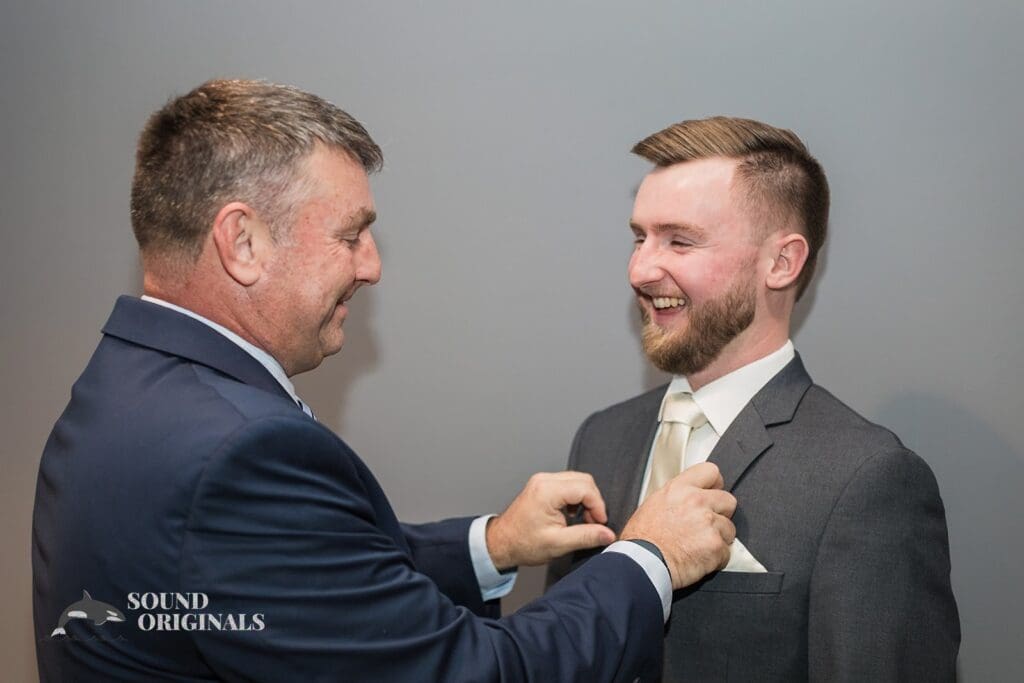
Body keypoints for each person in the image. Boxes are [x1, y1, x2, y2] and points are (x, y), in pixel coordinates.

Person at [31, 80, 738, 683]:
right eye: (350, 234)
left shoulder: (124, 384)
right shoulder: (237, 454)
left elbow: (308, 588)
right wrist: (650, 557)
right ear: (242, 242)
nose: (370, 266)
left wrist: (490, 545)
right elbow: (472, 671)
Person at [547, 116, 961, 681]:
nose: (640, 269)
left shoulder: (868, 480)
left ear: (782, 262)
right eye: (639, 237)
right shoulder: (601, 438)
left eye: (680, 240)